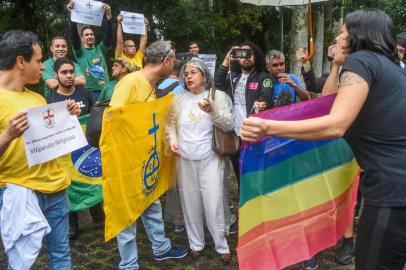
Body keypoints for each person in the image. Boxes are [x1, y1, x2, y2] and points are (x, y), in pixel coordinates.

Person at [241, 8, 406, 270]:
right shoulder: (389, 67)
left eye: (342, 31)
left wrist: (268, 127)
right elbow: (329, 102)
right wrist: (338, 63)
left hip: (392, 189)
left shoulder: (362, 61)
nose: (338, 38)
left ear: (357, 35)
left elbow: (337, 124)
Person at [0, 30, 80, 270]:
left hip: (56, 190)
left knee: (61, 254)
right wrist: (7, 135)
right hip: (20, 194)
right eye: (38, 61)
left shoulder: (37, 99)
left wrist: (68, 117)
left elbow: (52, 144)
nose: (43, 67)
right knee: (21, 262)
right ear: (21, 62)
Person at [109, 40, 189, 270]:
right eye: (172, 61)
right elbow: (113, 119)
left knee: (150, 201)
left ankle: (161, 247)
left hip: (144, 159)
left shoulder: (151, 85)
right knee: (126, 212)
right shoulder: (131, 82)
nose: (173, 65)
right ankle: (129, 264)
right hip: (126, 161)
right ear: (166, 61)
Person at [165, 58, 233, 262]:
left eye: (193, 72)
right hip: (185, 158)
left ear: (204, 76)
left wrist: (212, 110)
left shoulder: (217, 96)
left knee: (213, 202)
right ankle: (196, 243)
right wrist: (173, 141)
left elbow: (229, 125)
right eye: (186, 74)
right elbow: (170, 125)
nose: (188, 77)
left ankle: (221, 245)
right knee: (190, 201)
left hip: (210, 158)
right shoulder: (178, 100)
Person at [67, 0, 113, 100]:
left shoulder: (100, 49)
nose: (90, 36)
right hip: (90, 91)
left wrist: (108, 20)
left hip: (107, 89)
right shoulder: (79, 52)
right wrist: (72, 17)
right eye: (86, 35)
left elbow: (108, 37)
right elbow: (74, 37)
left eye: (91, 34)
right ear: (82, 38)